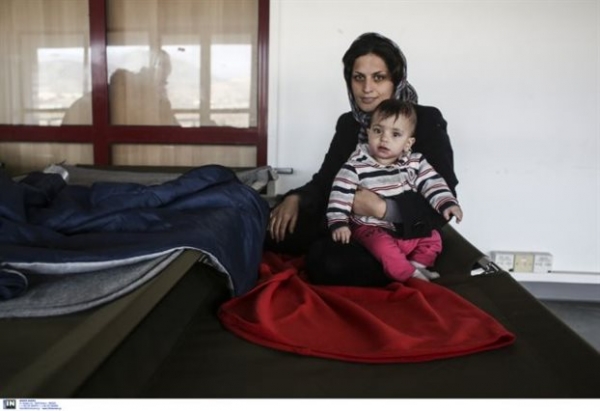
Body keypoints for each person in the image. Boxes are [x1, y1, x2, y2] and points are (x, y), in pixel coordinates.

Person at [266, 32, 458, 286]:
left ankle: (402, 268)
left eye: (378, 77)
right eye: (359, 78)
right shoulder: (349, 123)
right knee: (270, 228)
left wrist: (383, 208)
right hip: (349, 223)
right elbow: (326, 180)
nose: (367, 89)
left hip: (401, 233)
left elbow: (443, 195)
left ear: (396, 80)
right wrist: (295, 198)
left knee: (328, 262)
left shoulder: (425, 121)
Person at [327, 99, 462, 283]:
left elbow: (432, 183)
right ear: (368, 133)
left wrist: (447, 203)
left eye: (395, 134)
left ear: (408, 143)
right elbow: (339, 196)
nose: (384, 138)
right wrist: (339, 223)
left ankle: (418, 266)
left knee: (434, 237)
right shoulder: (355, 166)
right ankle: (410, 276)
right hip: (371, 227)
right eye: (378, 131)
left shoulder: (415, 163)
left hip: (404, 227)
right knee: (382, 247)